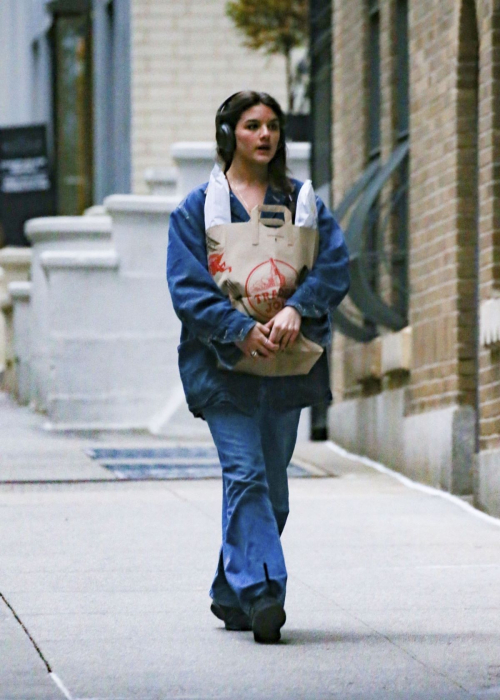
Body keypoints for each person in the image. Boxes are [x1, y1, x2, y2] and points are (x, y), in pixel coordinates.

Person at [167, 91, 350, 644]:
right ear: (229, 134)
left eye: (272, 126)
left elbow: (334, 265)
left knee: (273, 493)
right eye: (252, 126)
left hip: (285, 370)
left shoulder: (301, 204)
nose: (265, 136)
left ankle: (230, 590)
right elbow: (188, 289)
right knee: (244, 475)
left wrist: (297, 307)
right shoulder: (197, 209)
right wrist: (238, 330)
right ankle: (266, 592)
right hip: (223, 369)